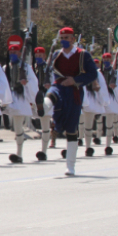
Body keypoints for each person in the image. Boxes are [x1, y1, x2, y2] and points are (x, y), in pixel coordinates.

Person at [39, 27, 98, 176]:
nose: (64, 40)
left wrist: (75, 80)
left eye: (67, 37)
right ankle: (42, 107)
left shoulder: (83, 55)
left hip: (74, 92)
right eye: (62, 38)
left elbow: (92, 74)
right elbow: (51, 71)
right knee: (52, 94)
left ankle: (70, 166)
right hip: (59, 86)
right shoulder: (57, 54)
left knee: (71, 129)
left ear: (72, 39)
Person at [2, 44, 38, 163]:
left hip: (21, 98)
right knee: (15, 126)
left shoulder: (26, 67)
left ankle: (19, 153)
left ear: (19, 53)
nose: (13, 54)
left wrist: (26, 83)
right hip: (9, 98)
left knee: (18, 126)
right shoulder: (6, 67)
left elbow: (34, 82)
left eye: (15, 52)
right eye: (11, 53)